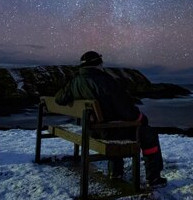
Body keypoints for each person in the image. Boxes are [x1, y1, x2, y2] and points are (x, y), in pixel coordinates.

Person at [55, 51, 167, 187]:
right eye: (101, 62)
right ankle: (154, 178)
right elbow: (127, 110)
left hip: (91, 131)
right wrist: (142, 118)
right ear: (97, 64)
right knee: (148, 133)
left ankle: (115, 172)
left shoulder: (75, 81)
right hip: (108, 132)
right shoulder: (106, 81)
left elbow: (59, 99)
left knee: (116, 126)